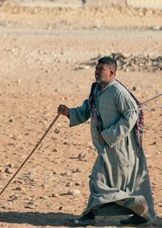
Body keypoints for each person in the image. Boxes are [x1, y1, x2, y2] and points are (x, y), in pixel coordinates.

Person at [57, 56, 155, 226]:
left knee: (98, 181)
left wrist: (109, 134)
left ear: (111, 73)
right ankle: (139, 212)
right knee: (110, 185)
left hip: (119, 148)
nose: (96, 71)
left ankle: (94, 215)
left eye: (100, 69)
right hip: (106, 147)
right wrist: (69, 113)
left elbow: (132, 115)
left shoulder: (118, 92)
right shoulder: (96, 89)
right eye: (96, 68)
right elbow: (88, 108)